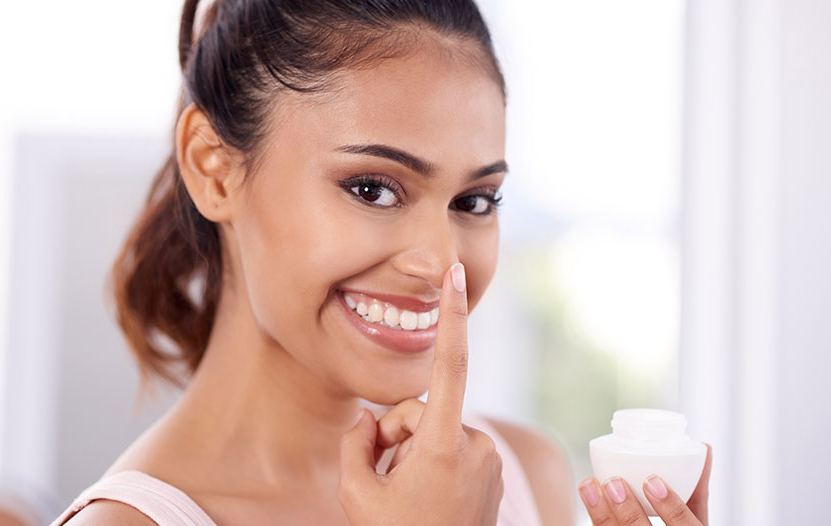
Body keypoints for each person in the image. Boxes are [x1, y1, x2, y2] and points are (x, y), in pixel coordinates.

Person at [51, 1, 709, 525]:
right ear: (213, 169)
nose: (440, 262)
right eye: (372, 188)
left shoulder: (520, 475)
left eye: (474, 200)